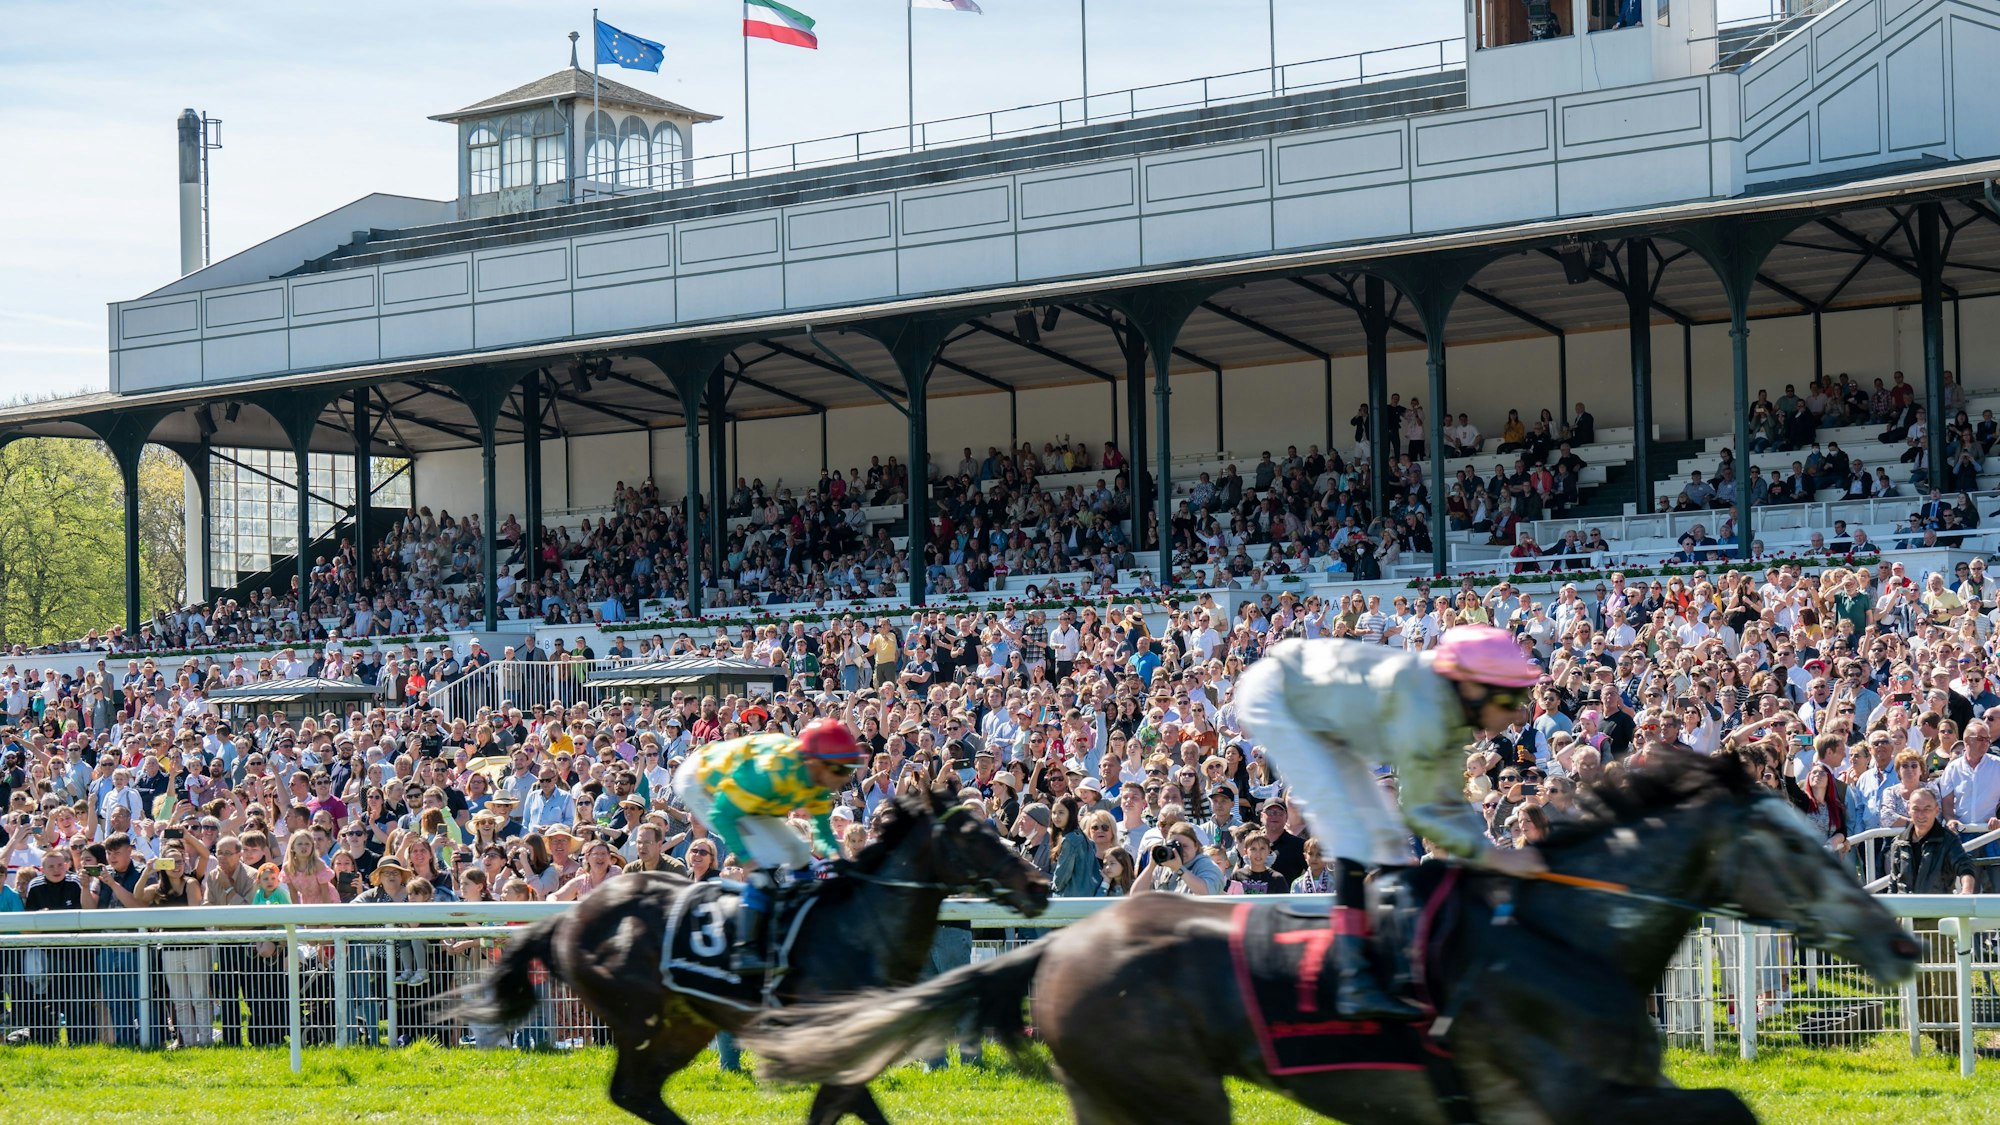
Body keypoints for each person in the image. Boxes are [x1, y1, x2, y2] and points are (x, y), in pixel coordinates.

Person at [1234, 624, 1546, 1020]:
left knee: (1387, 839)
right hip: (1278, 699)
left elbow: (1445, 805)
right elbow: (1422, 809)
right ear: (1474, 688)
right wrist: (1496, 858)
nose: (1515, 710)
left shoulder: (1446, 710)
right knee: (1355, 835)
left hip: (1323, 715)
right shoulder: (1424, 705)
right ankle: (1354, 981)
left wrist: (1489, 853)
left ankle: (1392, 963)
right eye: (1509, 697)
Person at [674, 718, 862, 971]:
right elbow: (721, 815)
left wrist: (840, 861)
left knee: (797, 849)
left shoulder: (817, 779)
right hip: (700, 783)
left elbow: (821, 832)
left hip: (746, 797)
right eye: (839, 769)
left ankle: (797, 922)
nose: (843, 778)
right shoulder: (772, 770)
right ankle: (745, 947)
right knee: (763, 864)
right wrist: (746, 858)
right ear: (815, 762)